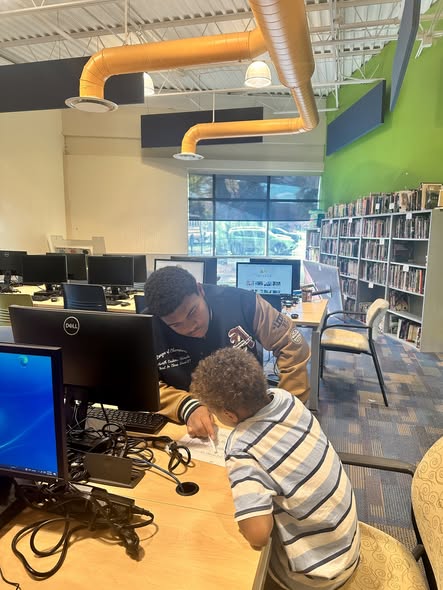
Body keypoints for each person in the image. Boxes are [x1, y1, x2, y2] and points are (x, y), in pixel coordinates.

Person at [190, 347, 360, 590]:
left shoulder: (242, 448)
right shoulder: (285, 398)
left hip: (319, 575)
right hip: (344, 541)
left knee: (228, 565)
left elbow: (258, 535)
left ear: (228, 414)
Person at [143, 265, 310, 440]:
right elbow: (143, 384)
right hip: (186, 422)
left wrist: (287, 412)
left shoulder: (244, 302)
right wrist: (185, 406)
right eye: (175, 325)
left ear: (200, 290)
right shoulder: (146, 326)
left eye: (192, 312)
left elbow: (293, 346)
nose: (190, 327)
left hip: (250, 415)